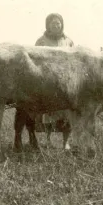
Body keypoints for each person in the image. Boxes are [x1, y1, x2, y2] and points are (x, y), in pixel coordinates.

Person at [35, 13, 73, 146]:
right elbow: (36, 60)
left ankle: (65, 142)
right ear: (48, 25)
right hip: (48, 81)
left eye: (58, 23)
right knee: (48, 111)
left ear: (62, 24)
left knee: (68, 111)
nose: (56, 26)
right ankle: (48, 140)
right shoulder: (41, 41)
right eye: (53, 24)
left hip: (66, 82)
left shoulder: (68, 41)